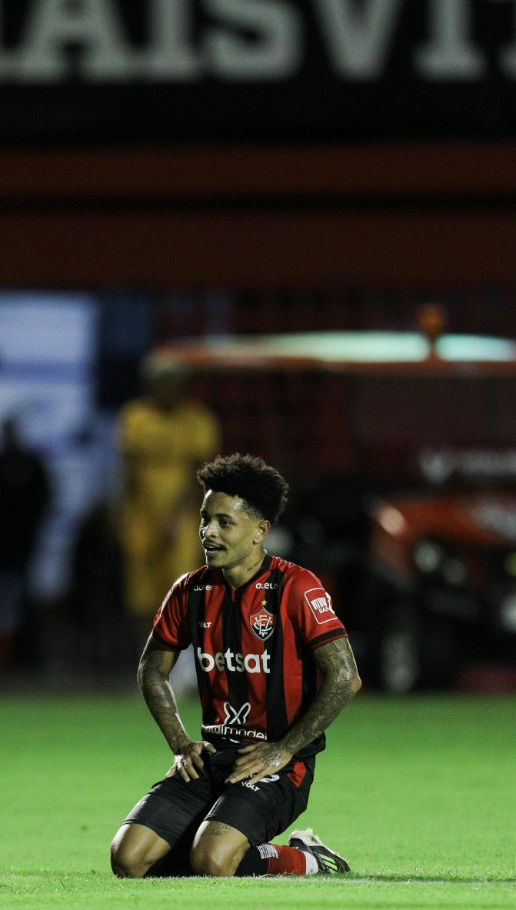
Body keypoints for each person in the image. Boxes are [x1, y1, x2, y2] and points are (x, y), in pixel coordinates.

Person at [110, 454, 361, 879]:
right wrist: (179, 741)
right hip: (211, 758)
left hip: (279, 767)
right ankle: (214, 847)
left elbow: (345, 677)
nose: (208, 533)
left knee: (212, 861)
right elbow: (152, 669)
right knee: (128, 859)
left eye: (224, 522)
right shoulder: (190, 591)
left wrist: (285, 748)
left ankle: (308, 859)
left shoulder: (295, 588)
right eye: (205, 519)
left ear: (260, 531)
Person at [117, 362, 220, 622]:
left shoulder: (198, 419)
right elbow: (127, 470)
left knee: (181, 585)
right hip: (142, 512)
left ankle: (180, 655)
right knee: (141, 590)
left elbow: (201, 473)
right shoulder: (135, 417)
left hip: (184, 514)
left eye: (171, 383)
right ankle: (147, 653)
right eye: (160, 383)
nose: (166, 390)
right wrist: (121, 511)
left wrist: (178, 514)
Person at [0, 417, 52, 673]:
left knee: (25, 600)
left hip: (25, 543)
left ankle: (27, 655)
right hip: (2, 542)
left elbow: (45, 499)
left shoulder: (32, 463)